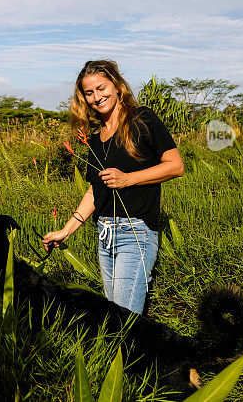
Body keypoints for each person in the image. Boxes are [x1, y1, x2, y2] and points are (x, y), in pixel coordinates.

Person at [42, 60, 184, 314]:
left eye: (102, 88)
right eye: (89, 92)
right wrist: (66, 230)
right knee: (116, 316)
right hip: (105, 235)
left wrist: (128, 178)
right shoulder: (96, 138)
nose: (97, 97)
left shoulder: (143, 119)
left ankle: (134, 354)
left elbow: (175, 166)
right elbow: (95, 191)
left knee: (123, 320)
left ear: (117, 86)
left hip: (136, 232)